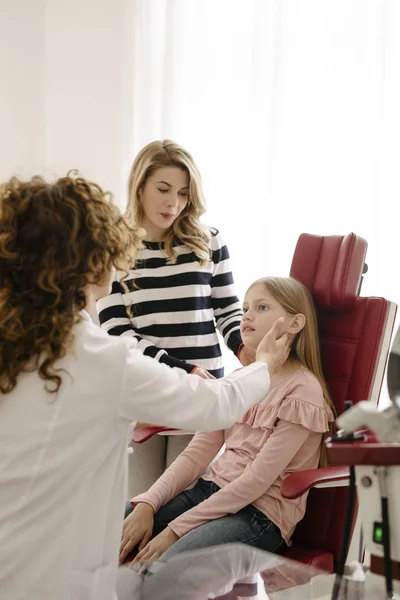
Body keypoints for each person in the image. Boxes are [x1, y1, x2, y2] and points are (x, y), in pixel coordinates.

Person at [0, 174, 289, 600]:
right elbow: (216, 404)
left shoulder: (16, 343)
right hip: (58, 577)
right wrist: (263, 365)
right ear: (90, 259)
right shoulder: (101, 360)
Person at [120, 276, 336, 567]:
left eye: (261, 307)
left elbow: (257, 480)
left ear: (295, 324)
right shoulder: (238, 381)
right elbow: (195, 455)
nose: (246, 315)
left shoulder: (303, 392)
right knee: (109, 529)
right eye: (245, 307)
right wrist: (148, 503)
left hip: (259, 515)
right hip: (209, 493)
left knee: (167, 569)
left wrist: (175, 530)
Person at [97, 140, 253, 487]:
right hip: (146, 393)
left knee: (179, 511)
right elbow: (118, 336)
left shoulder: (209, 241)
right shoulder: (113, 249)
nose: (174, 203)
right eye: (163, 189)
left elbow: (227, 310)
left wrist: (246, 351)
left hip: (202, 394)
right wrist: (182, 369)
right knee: (139, 507)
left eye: (183, 193)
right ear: (140, 186)